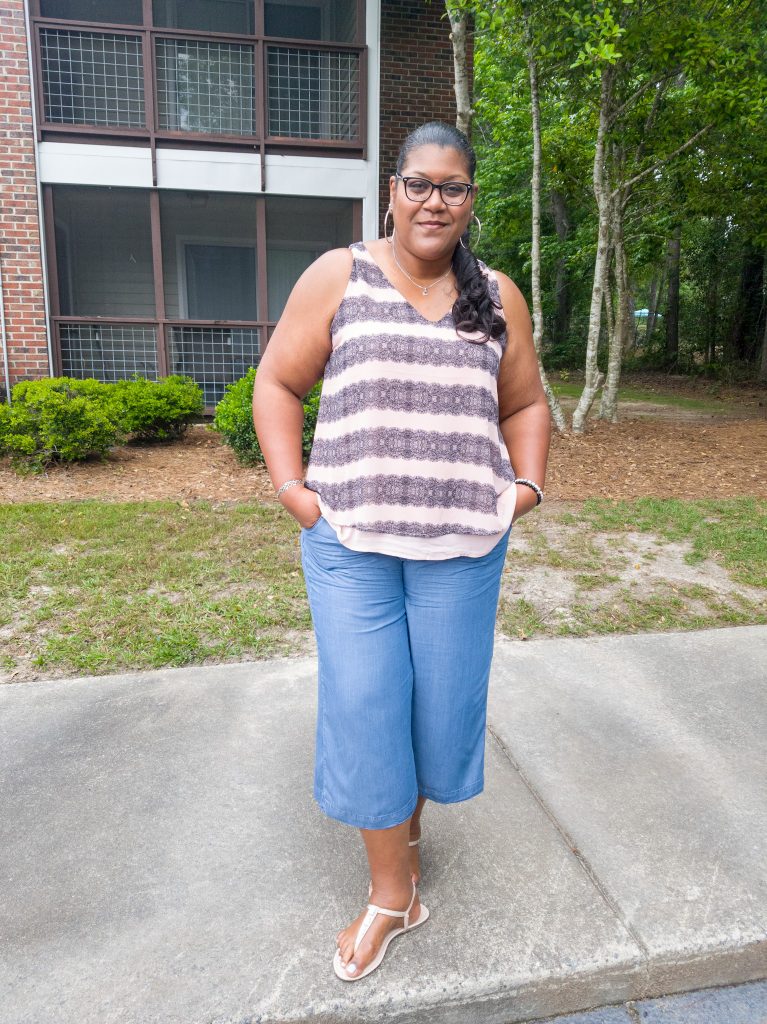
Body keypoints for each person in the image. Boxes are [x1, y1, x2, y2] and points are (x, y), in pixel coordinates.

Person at [253, 121, 551, 982]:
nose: (434, 201)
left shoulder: (496, 294)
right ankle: (394, 894)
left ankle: (403, 832)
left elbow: (525, 402)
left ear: (469, 200)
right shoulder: (338, 275)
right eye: (418, 183)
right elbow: (277, 382)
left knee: (435, 711)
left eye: (452, 187)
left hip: (462, 549)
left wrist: (522, 489)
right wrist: (292, 491)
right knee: (369, 706)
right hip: (352, 545)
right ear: (391, 188)